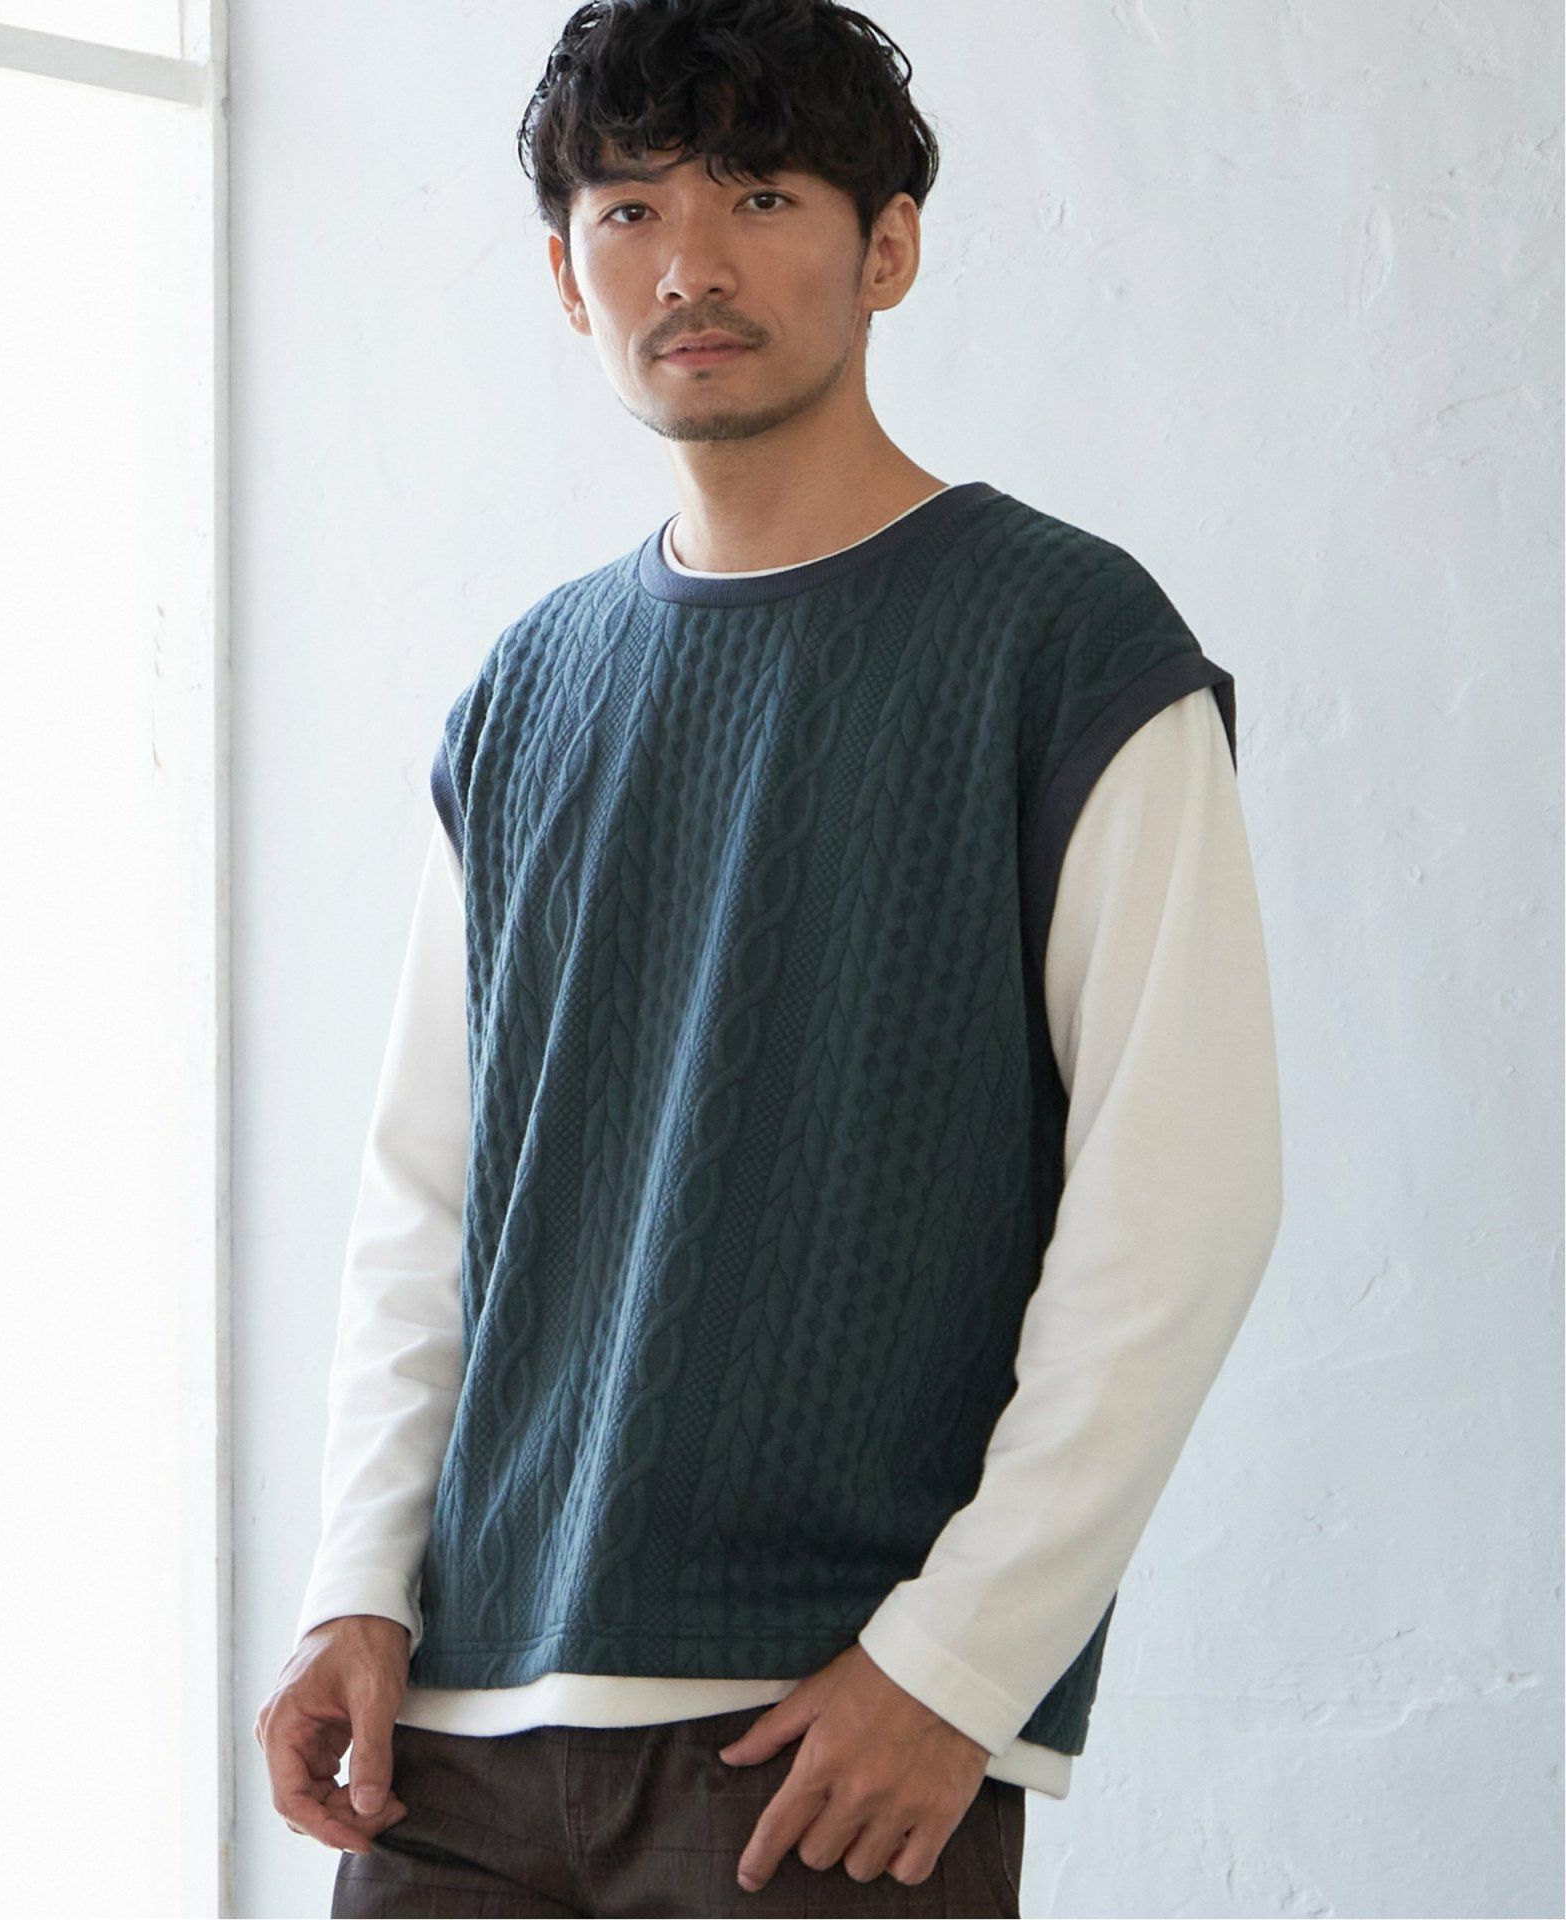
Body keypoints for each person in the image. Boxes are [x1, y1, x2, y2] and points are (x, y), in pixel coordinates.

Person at [253, 2, 1284, 1913]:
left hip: (819, 1741)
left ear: (888, 247)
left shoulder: (1066, 644)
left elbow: (1184, 1192)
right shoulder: (526, 691)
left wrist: (960, 1664)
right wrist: (356, 1587)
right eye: (629, 210)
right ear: (566, 276)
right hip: (455, 1743)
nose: (689, 267)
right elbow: (428, 1196)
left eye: (758, 194)